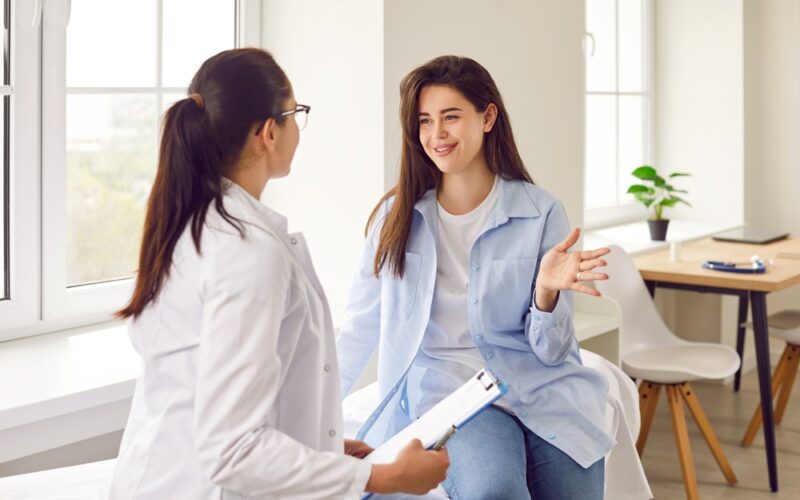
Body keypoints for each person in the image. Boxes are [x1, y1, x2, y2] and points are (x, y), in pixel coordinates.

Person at [106, 48, 448, 500]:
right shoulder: (246, 252)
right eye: (295, 114)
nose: (297, 129)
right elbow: (231, 450)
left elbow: (214, 394)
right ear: (268, 132)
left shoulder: (190, 225)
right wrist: (381, 478)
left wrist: (316, 448)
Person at [336, 55, 614, 500]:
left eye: (451, 117)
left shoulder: (541, 210)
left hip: (542, 388)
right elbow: (359, 326)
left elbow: (554, 350)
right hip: (454, 398)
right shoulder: (396, 218)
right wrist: (313, 422)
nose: (437, 134)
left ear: (487, 117)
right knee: (495, 490)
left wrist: (545, 296)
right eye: (425, 121)